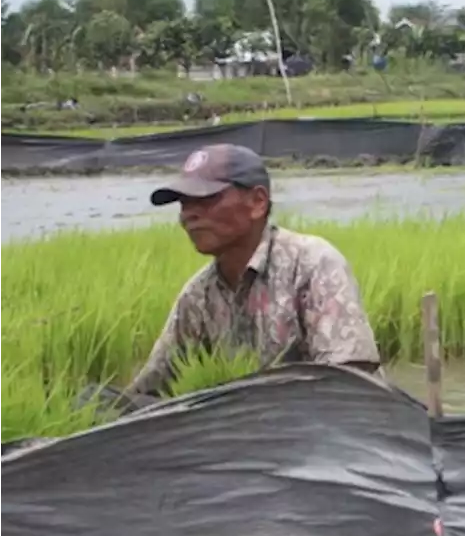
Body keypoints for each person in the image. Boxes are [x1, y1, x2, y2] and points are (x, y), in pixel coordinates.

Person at [121, 144, 382, 405]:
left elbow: (350, 384)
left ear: (257, 202)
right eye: (184, 203)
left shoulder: (312, 265)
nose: (189, 215)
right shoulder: (198, 297)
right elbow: (148, 390)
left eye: (206, 198)